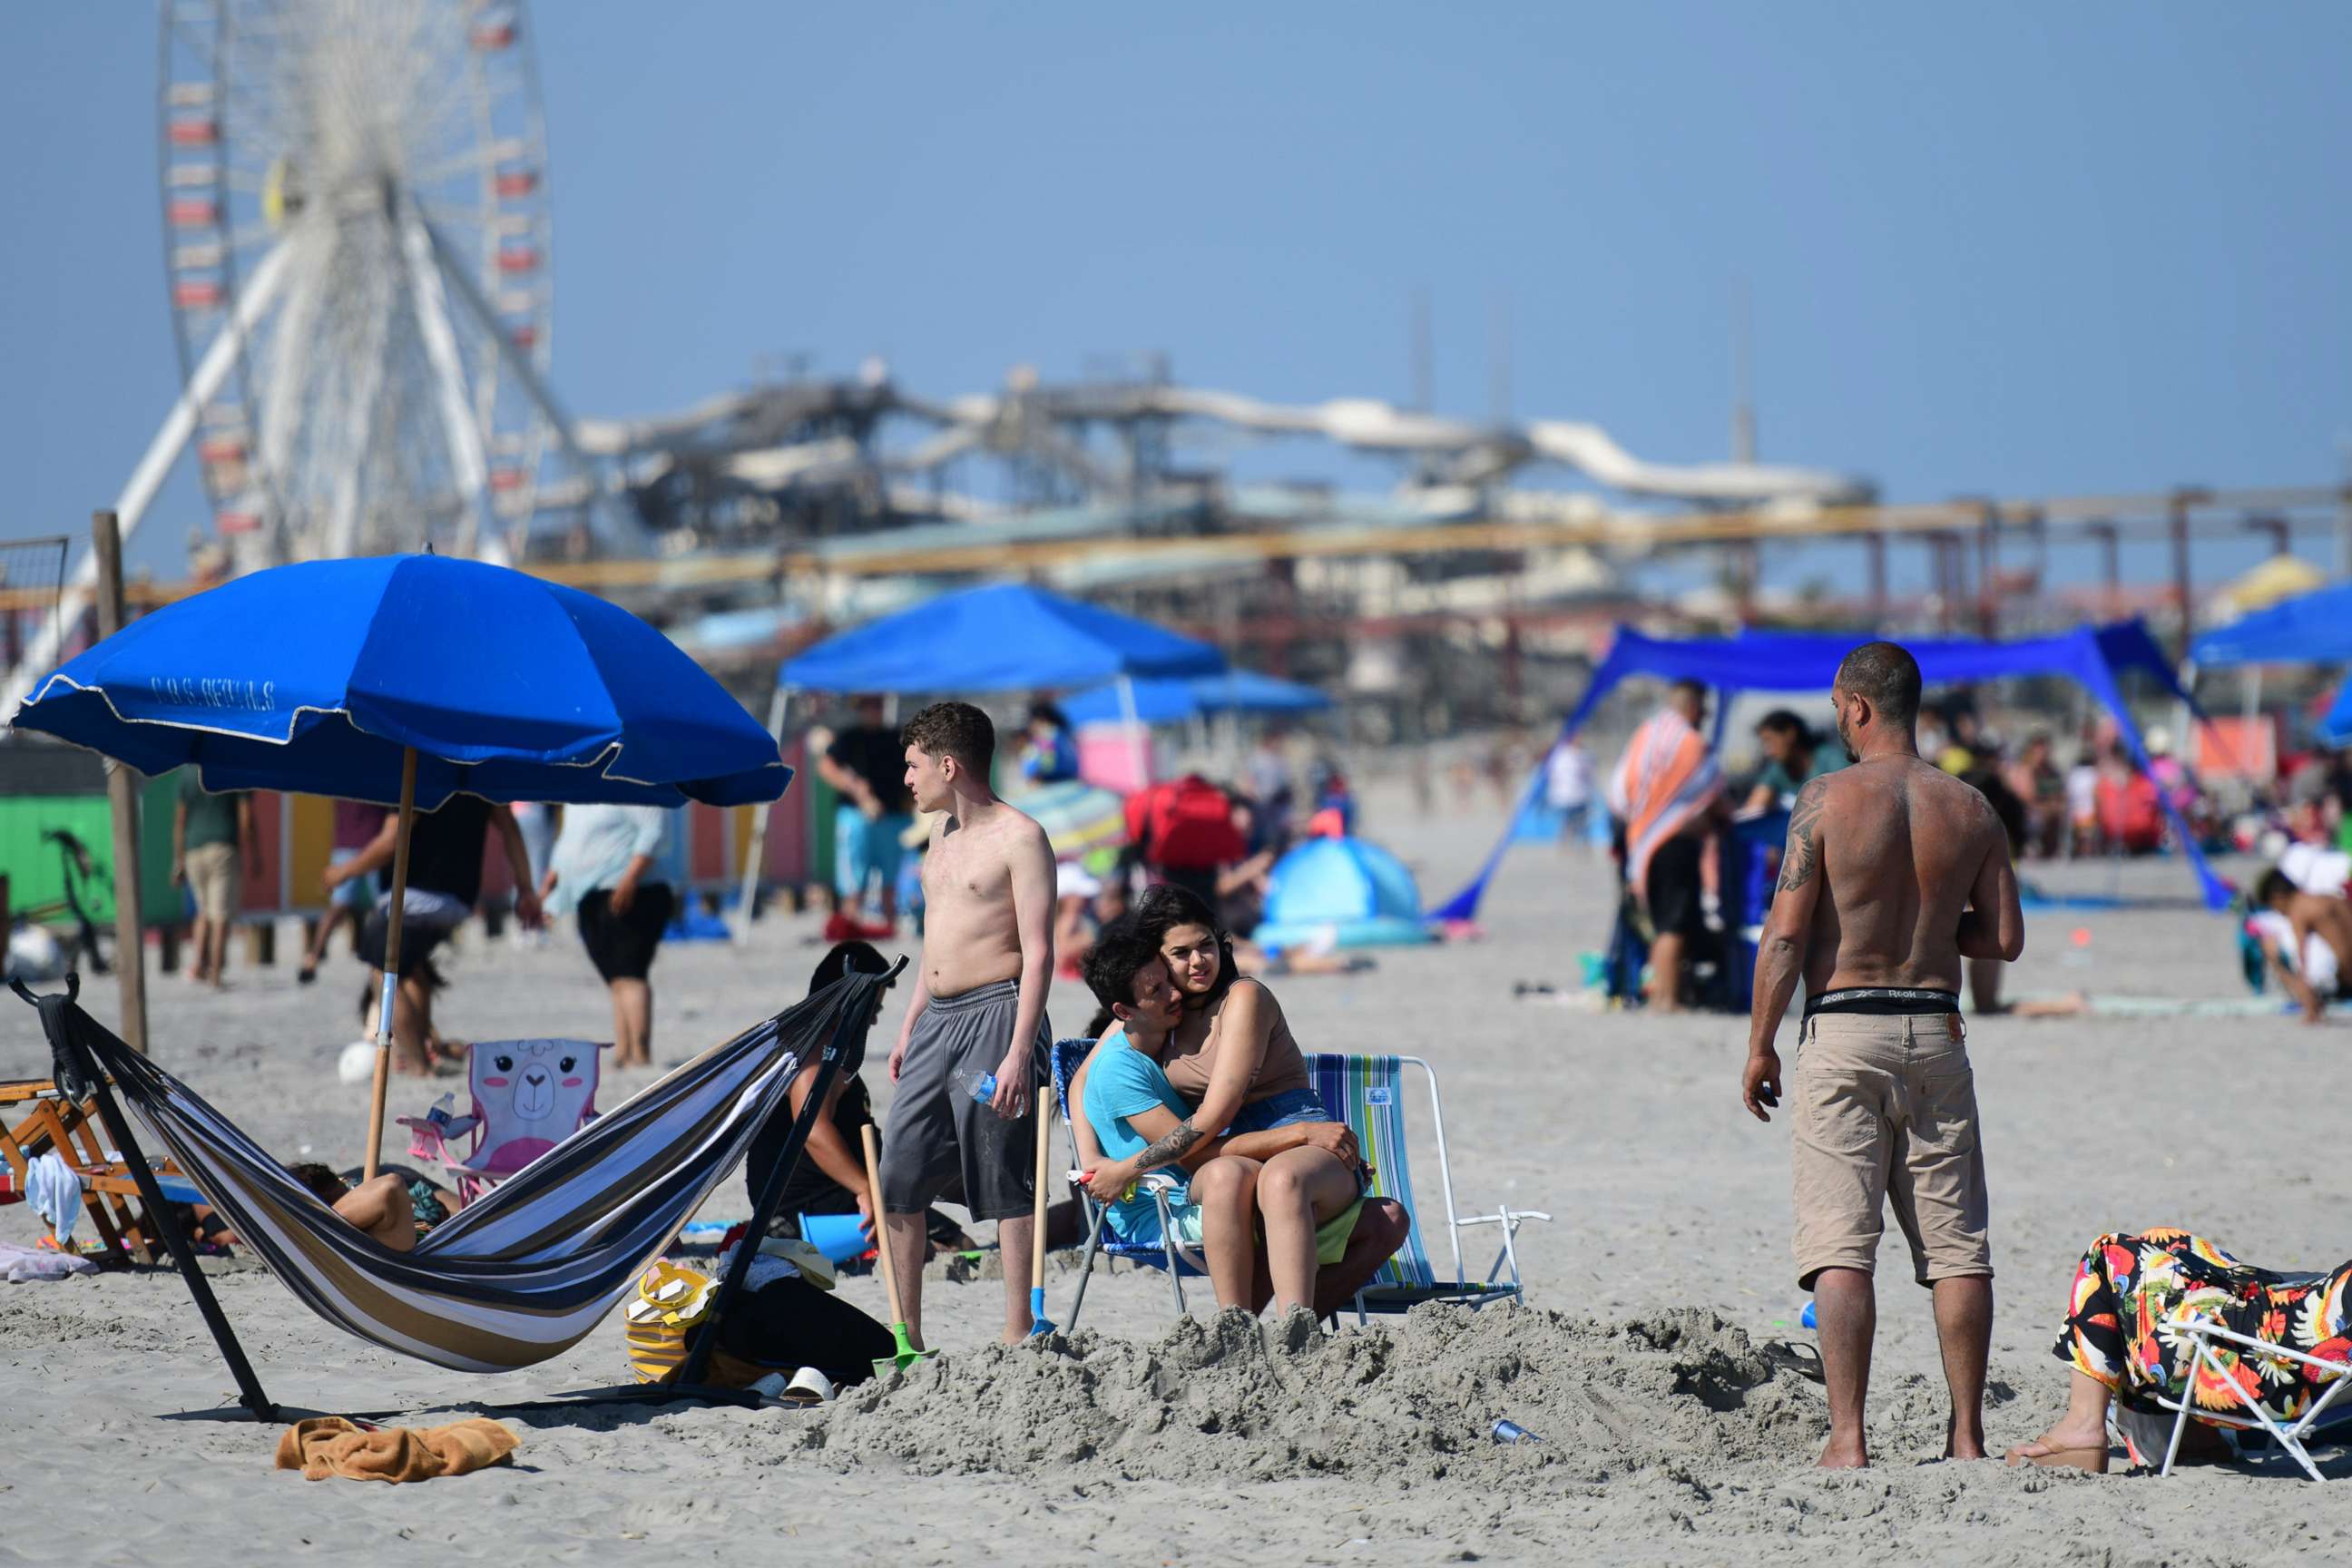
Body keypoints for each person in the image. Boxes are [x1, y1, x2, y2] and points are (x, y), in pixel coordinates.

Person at [1740, 640, 2023, 1469]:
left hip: (1846, 1028)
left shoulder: (1826, 798)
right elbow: (2003, 939)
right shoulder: (1971, 806)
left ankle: (1848, 1438)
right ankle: (1967, 1436)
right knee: (1957, 1247)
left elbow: (1788, 933)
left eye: (1838, 707)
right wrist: (1932, 931)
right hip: (1936, 1029)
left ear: (1857, 707)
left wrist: (1760, 1043)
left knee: (1840, 1244)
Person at [1072, 885, 1410, 1315]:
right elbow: (1082, 1074)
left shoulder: (1243, 998)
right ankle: (1238, 1326)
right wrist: (1089, 1155)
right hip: (1238, 1147)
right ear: (1159, 960)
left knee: (1281, 1181)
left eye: (1206, 946)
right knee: (1232, 1178)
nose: (1198, 962)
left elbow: (1211, 1117)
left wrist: (1126, 1169)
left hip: (1300, 1135)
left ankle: (1294, 1326)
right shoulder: (1162, 1011)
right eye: (1180, 954)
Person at [879, 701, 1056, 1347]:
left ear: (949, 765)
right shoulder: (939, 836)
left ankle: (1018, 1328)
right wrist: (908, 1026)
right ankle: (908, 1337)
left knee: (1003, 1168)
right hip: (937, 1019)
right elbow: (935, 943)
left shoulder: (1021, 838)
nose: (907, 778)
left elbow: (1039, 951)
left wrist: (1017, 1053)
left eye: (914, 765)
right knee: (898, 1169)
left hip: (999, 1011)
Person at [2006, 1230, 2352, 1472]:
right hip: (2292, 1329)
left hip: (2272, 1367)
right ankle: (2188, 1433)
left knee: (2107, 1254)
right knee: (2164, 1239)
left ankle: (2083, 1426)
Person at [742, 940, 981, 1259]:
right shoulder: (815, 1050)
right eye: (873, 1009)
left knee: (947, 1241)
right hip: (806, 1208)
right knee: (952, 1246)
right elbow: (812, 1128)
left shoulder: (820, 1038)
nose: (873, 1021)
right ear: (850, 1000)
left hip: (830, 1194)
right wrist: (865, 1189)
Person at [325, 795, 542, 1075]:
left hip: (414, 897)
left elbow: (390, 842)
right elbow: (509, 828)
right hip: (460, 898)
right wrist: (525, 887)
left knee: (384, 972)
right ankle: (428, 1046)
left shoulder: (416, 770)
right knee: (411, 968)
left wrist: (342, 873)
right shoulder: (477, 769)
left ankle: (418, 1063)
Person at [1605, 679, 1729, 1013]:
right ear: (1691, 706)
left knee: (1661, 923)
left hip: (1642, 842)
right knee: (1676, 923)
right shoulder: (1691, 744)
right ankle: (1669, 999)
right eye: (1703, 708)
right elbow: (1714, 794)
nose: (1705, 715)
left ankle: (1661, 994)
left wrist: (1641, 821)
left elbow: (1617, 793)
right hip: (1675, 842)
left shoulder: (1645, 736)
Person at [540, 803, 676, 1069]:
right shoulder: (579, 794)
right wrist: (548, 889)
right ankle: (624, 1051)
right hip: (588, 895)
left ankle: (641, 1053)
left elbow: (655, 830)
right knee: (616, 981)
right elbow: (568, 842)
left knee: (631, 974)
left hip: (634, 891)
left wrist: (630, 879)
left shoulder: (636, 786)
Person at [816, 694, 917, 936]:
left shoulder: (896, 738)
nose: (873, 711)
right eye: (868, 706)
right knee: (853, 872)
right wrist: (855, 790)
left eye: (876, 706)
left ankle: (891, 923)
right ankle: (850, 920)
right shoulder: (850, 738)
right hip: (857, 814)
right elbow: (826, 766)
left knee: (892, 873)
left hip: (892, 815)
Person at [172, 772, 260, 989]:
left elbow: (180, 820)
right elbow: (246, 819)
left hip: (193, 849)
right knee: (220, 915)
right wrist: (255, 854)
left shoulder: (187, 774)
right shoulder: (235, 769)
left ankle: (199, 966)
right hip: (223, 846)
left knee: (203, 911)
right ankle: (216, 974)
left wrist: (178, 860)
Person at [299, 799, 387, 985]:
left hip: (346, 841)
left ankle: (312, 958)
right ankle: (387, 959)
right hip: (374, 843)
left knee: (338, 907)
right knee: (383, 907)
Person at [2253, 867, 2352, 1023]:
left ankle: (2312, 1006)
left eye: (2274, 907)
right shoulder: (2332, 898)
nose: (2278, 913)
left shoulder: (2298, 908)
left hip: (2344, 982)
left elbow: (2301, 956)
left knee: (2269, 945)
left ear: (2278, 897)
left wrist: (2307, 1000)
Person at [1740, 710, 1845, 816]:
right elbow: (1752, 810)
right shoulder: (1777, 769)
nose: (1767, 751)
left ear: (1790, 733)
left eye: (1769, 740)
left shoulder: (1831, 759)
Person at [2001, 732, 2064, 860]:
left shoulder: (2052, 771)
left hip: (2048, 817)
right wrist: (2048, 807)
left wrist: (2054, 806)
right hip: (2028, 817)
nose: (2043, 750)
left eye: (2044, 745)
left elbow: (2061, 797)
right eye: (2038, 746)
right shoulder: (2024, 770)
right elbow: (2027, 798)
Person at [1544, 736, 1593, 847]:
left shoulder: (1583, 755)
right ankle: (1566, 847)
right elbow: (1552, 775)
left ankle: (1582, 848)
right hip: (1565, 796)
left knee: (1581, 824)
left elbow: (1589, 774)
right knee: (1568, 824)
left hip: (1579, 795)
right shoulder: (1561, 756)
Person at [1018, 701, 1080, 785]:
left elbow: (1047, 764)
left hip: (1053, 783)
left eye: (1032, 722)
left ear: (1041, 720)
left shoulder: (1047, 735)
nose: (1031, 726)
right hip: (1067, 781)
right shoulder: (1062, 734)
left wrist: (1035, 776)